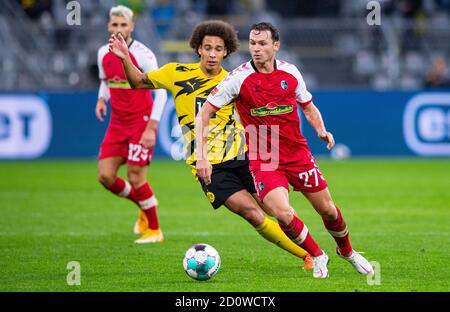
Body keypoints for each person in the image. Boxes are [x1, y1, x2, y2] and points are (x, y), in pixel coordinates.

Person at [108, 20, 313, 268]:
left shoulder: (235, 79)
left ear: (226, 51)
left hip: (244, 154)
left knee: (278, 209)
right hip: (208, 163)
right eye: (208, 48)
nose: (213, 54)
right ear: (199, 49)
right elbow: (138, 82)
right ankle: (306, 256)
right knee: (251, 213)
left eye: (219, 49)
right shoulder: (176, 72)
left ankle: (313, 251)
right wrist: (124, 58)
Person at [195, 22, 374, 278]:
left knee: (328, 210)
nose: (256, 49)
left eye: (262, 43)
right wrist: (202, 156)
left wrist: (321, 130)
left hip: (297, 153)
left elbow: (308, 107)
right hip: (265, 159)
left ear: (275, 45)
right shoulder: (238, 78)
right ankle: (318, 254)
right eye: (253, 44)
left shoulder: (291, 73)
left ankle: (347, 252)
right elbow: (205, 112)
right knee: (282, 213)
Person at [96, 5, 167, 243]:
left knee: (136, 177)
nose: (118, 29)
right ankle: (144, 204)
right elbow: (106, 81)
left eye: (123, 25)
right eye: (114, 25)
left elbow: (161, 94)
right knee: (105, 177)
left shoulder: (144, 55)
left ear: (131, 27)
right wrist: (101, 98)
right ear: (109, 26)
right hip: (117, 123)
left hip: (141, 121)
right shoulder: (102, 54)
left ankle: (155, 230)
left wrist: (152, 127)